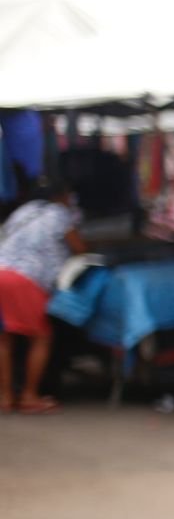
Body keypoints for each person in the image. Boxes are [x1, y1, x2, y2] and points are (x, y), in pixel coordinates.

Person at [0, 177, 84, 414]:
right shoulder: (59, 213)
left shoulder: (24, 210)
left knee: (5, 339)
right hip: (26, 279)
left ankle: (5, 397)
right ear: (61, 196)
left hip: (1, 271)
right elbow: (79, 248)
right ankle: (29, 395)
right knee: (41, 336)